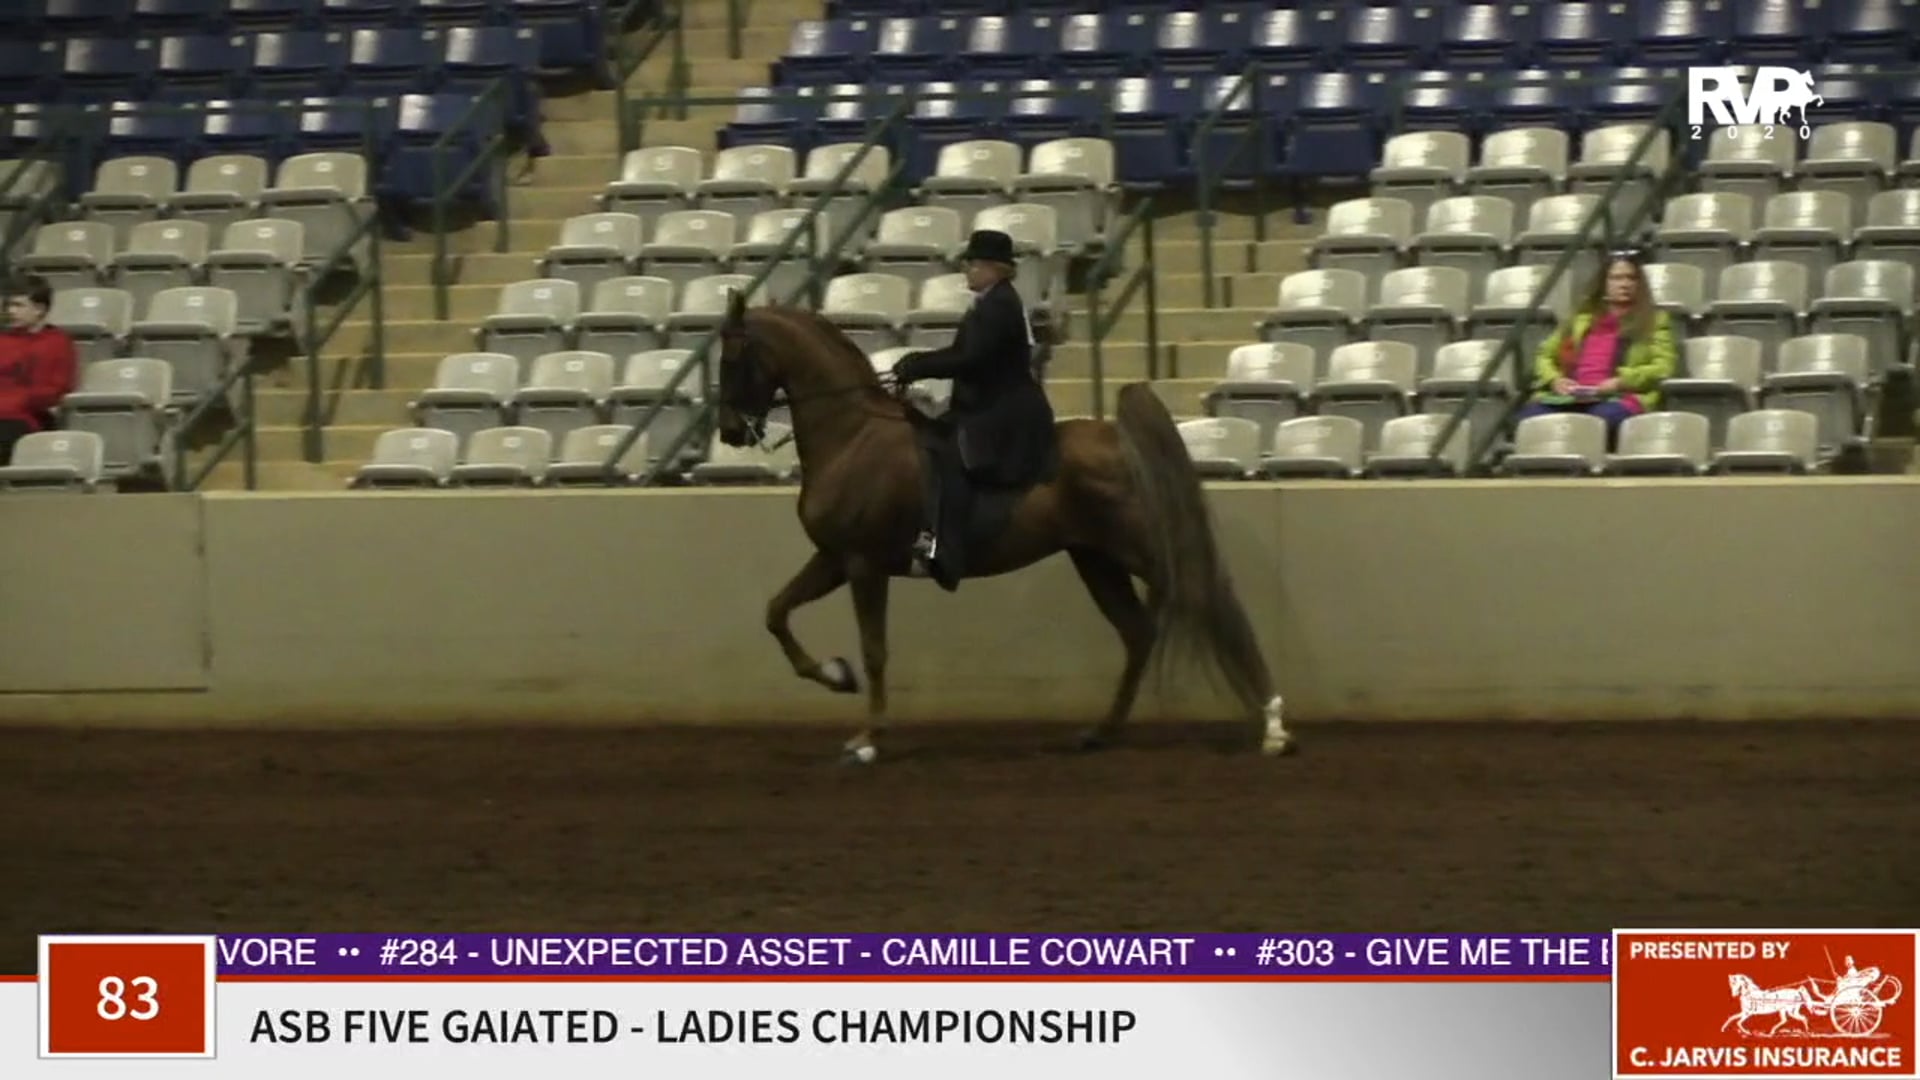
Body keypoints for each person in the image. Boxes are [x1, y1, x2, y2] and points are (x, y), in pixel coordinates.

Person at [889, 229, 1057, 591]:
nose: (968, 268)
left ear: (996, 268)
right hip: (988, 403)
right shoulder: (990, 301)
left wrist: (919, 364)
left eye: (975, 263)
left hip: (1005, 412)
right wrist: (917, 364)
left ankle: (946, 552)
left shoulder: (999, 306)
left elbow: (971, 359)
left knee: (950, 454)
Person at [1520, 251, 1676, 449]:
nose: (1625, 284)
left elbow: (1664, 367)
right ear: (1604, 283)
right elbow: (1544, 355)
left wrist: (1620, 381)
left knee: (1600, 419)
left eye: (1631, 278)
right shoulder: (1580, 319)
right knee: (1530, 417)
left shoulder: (1655, 320)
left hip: (1619, 397)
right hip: (1571, 396)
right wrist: (1555, 379)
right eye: (1617, 278)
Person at [0, 275, 78, 464]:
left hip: (27, 418)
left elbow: (55, 389)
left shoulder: (58, 342)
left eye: (18, 305)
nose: (10, 311)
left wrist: (14, 402)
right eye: (8, 305)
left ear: (39, 309)